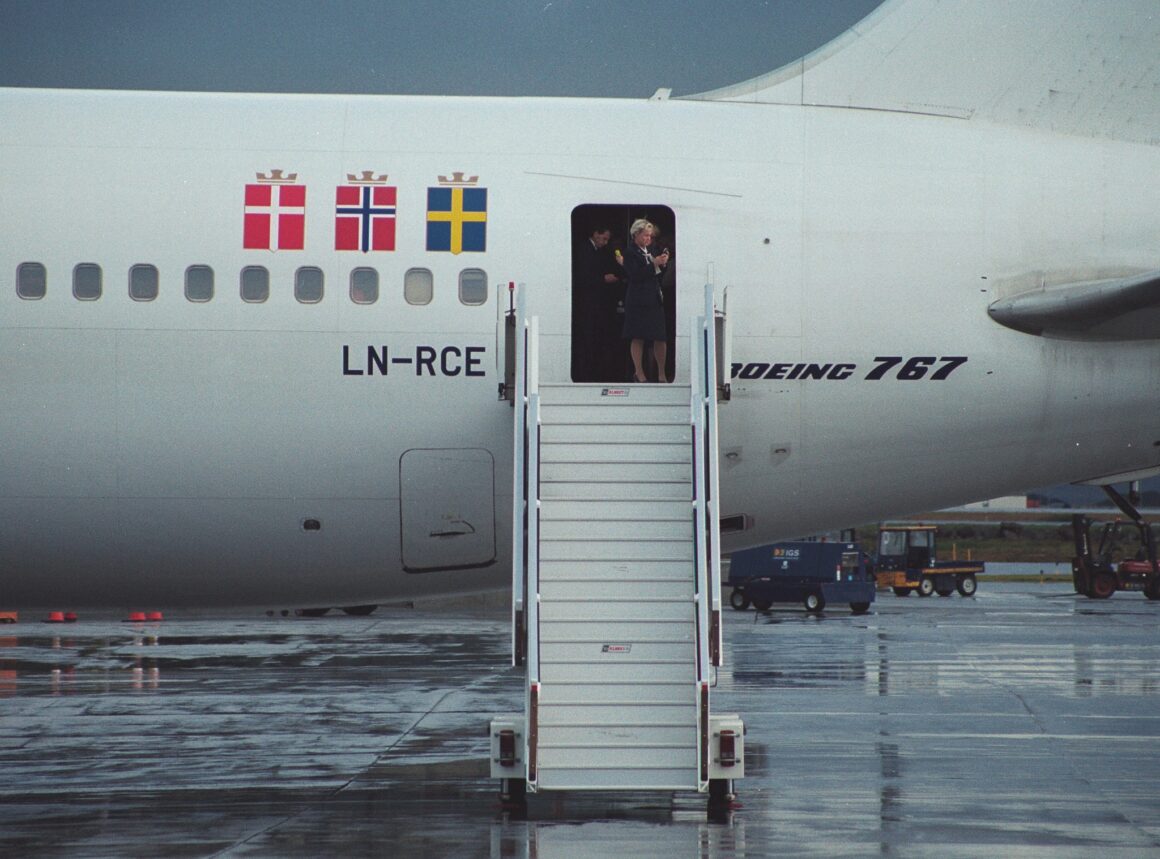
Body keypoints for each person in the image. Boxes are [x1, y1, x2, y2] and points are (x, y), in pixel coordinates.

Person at [621, 218, 670, 382]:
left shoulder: (652, 250)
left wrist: (662, 263)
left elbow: (657, 274)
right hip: (638, 299)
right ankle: (639, 372)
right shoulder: (630, 253)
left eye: (650, 236)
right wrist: (653, 265)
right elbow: (634, 275)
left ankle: (661, 372)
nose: (648, 239)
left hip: (653, 298)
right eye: (645, 236)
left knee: (660, 336)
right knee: (638, 335)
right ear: (636, 235)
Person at [572, 225, 622, 381]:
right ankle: (584, 373)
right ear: (595, 233)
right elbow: (580, 276)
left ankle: (593, 372)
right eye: (604, 238)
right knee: (586, 339)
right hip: (586, 303)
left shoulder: (599, 251)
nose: (606, 242)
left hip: (597, 304)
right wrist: (602, 279)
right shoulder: (583, 250)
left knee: (595, 339)